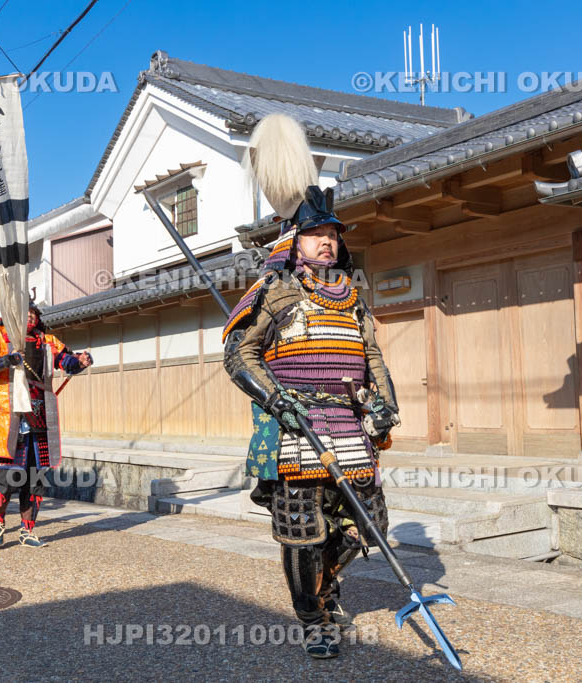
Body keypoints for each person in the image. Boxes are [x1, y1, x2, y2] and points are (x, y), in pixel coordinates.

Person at [222, 114, 400, 659]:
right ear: (296, 242)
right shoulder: (273, 293)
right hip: (296, 427)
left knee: (370, 523)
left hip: (349, 427)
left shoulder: (352, 297)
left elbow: (373, 355)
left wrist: (386, 406)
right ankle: (313, 619)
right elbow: (237, 353)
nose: (327, 243)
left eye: (332, 236)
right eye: (317, 236)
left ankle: (327, 578)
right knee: (301, 529)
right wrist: (275, 399)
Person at [0, 301, 92, 548]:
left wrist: (79, 361)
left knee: (35, 478)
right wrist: (8, 360)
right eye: (22, 311)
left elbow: (65, 361)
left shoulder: (46, 340)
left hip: (38, 414)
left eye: (32, 312)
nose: (28, 316)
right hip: (5, 417)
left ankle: (28, 530)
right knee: (5, 478)